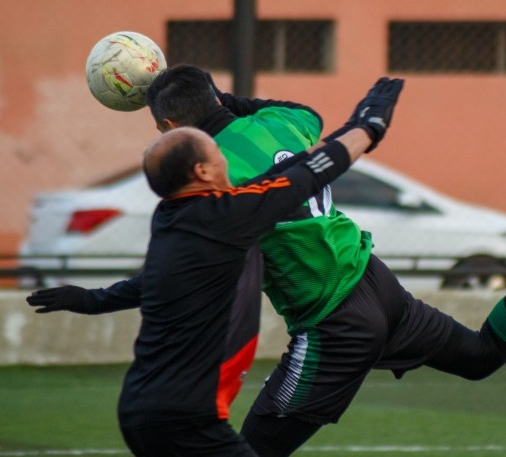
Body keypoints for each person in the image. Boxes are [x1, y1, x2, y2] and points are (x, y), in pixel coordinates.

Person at [28, 68, 506, 457]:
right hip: (374, 281)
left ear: (170, 126)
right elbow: (292, 117)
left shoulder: (214, 178)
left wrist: (94, 296)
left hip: (331, 324)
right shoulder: (289, 122)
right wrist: (214, 98)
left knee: (245, 453)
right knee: (479, 357)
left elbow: (183, 263)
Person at [49, 78, 401, 456]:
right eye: (214, 150)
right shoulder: (229, 217)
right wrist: (368, 126)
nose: (224, 152)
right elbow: (304, 175)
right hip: (185, 420)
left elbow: (282, 178)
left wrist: (94, 300)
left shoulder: (179, 221)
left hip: (144, 409)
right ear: (201, 170)